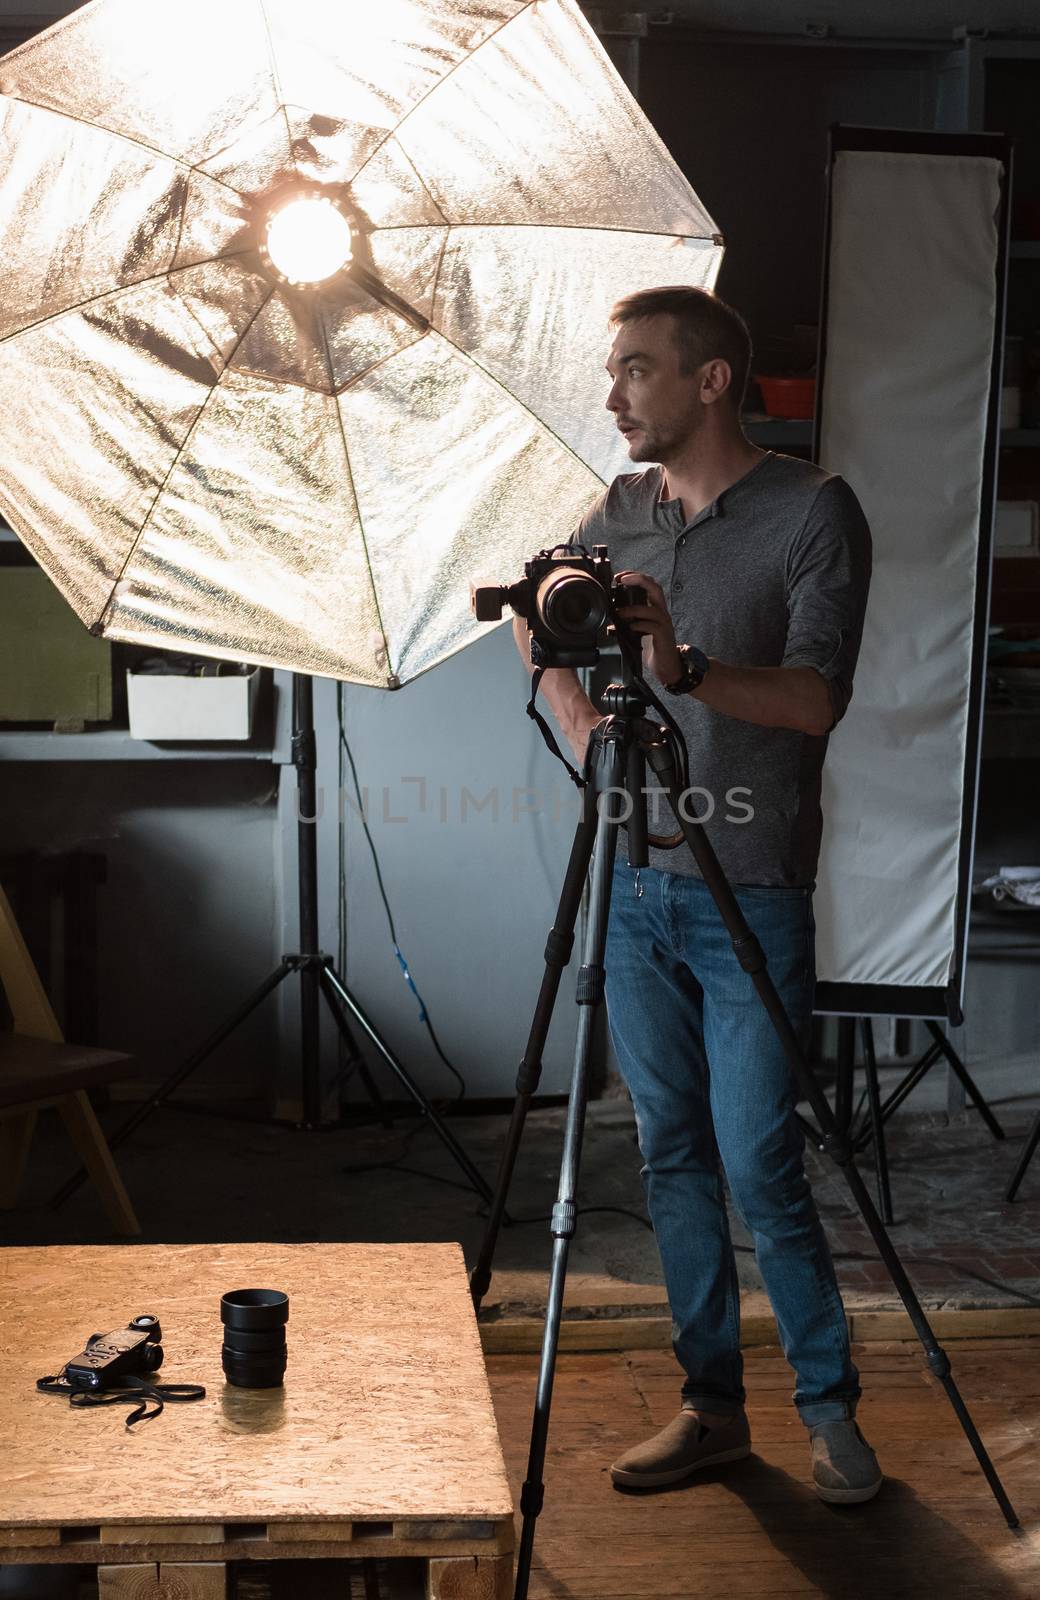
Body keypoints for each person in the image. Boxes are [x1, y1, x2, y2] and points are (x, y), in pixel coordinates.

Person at [512, 285, 878, 1504]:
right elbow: (536, 616)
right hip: (633, 879)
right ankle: (709, 1407)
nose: (613, 395)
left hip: (750, 885)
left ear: (710, 379)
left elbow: (815, 702)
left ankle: (829, 1413)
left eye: (634, 370)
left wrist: (686, 666)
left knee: (759, 1159)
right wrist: (576, 721)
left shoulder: (811, 511)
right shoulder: (613, 512)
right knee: (667, 1151)